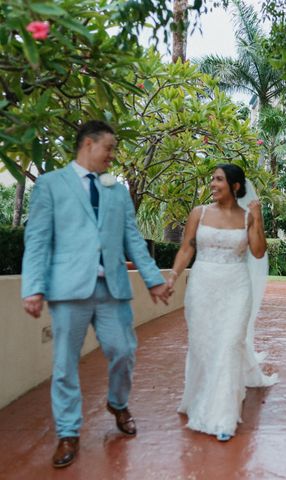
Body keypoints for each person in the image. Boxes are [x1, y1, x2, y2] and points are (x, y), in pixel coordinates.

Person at [21, 120, 172, 468]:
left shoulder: (116, 190)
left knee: (123, 352)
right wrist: (33, 287)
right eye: (109, 148)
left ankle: (118, 403)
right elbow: (38, 240)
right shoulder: (50, 184)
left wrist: (152, 279)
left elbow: (132, 238)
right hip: (67, 288)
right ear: (88, 144)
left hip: (111, 287)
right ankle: (68, 432)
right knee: (64, 365)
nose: (112, 155)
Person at [167, 163, 277, 442]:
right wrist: (173, 276)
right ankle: (197, 399)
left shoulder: (246, 217)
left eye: (218, 180)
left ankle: (223, 417)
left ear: (235, 186)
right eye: (212, 179)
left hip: (236, 288)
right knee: (203, 346)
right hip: (203, 286)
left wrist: (258, 218)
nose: (213, 184)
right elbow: (186, 248)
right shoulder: (199, 213)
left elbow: (258, 250)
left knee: (229, 346)